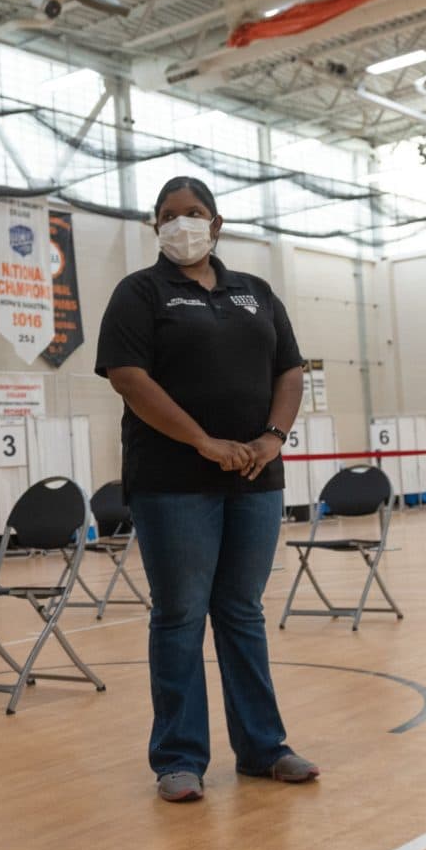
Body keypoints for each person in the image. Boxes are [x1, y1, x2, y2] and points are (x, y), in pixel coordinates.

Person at [95, 177, 320, 804]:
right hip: (173, 485)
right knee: (180, 616)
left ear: (216, 224)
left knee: (242, 612)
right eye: (168, 216)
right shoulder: (139, 293)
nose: (181, 225)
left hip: (256, 478)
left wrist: (273, 437)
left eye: (193, 214)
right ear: (155, 228)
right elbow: (128, 377)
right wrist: (203, 441)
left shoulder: (256, 292)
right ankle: (179, 757)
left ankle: (263, 747)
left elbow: (291, 370)